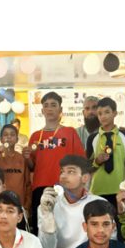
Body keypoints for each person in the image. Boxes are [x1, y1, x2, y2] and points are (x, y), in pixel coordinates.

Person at [38, 155, 107, 248]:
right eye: (62, 172)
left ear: (85, 178)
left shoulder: (99, 203)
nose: (63, 176)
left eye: (71, 172)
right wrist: (47, 215)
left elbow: (109, 242)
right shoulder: (48, 204)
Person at [27, 91, 87, 234]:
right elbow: (32, 166)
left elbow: (81, 162)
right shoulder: (35, 136)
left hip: (65, 187)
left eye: (53, 105)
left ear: (60, 110)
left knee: (66, 228)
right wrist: (27, 158)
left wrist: (81, 187)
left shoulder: (70, 132)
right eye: (46, 105)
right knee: (42, 228)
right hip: (40, 188)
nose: (49, 108)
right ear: (42, 111)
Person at [87, 97, 125, 206]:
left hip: (120, 189)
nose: (103, 116)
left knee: (120, 221)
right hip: (98, 190)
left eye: (107, 112)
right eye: (99, 113)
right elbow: (87, 168)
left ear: (115, 113)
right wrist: (97, 161)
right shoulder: (92, 138)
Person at [0, 124, 31, 212]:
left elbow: (28, 185)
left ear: (17, 139)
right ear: (1, 139)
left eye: (12, 134)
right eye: (5, 135)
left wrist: (26, 206)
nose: (9, 137)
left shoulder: (22, 159)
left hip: (18, 206)